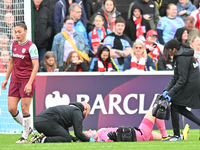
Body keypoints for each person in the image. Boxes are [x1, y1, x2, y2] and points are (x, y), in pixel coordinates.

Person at [1, 21, 39, 143]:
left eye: (19, 32)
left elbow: (36, 66)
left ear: (25, 32)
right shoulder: (14, 45)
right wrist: (6, 78)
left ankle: (24, 136)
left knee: (25, 109)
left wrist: (29, 83)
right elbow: (11, 63)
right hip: (14, 81)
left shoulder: (31, 46)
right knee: (11, 109)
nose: (17, 34)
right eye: (15, 32)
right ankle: (28, 128)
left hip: (26, 81)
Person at [162, 39, 200, 141]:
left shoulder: (182, 58)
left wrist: (171, 93)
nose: (168, 53)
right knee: (178, 107)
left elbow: (182, 79)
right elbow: (175, 77)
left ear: (174, 49)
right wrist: (167, 90)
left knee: (174, 105)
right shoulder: (181, 55)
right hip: (193, 84)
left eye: (169, 50)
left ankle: (177, 136)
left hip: (191, 85)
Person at [84, 107, 190, 142]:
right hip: (138, 134)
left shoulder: (101, 132)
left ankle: (181, 137)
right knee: (154, 110)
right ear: (90, 139)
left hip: (136, 132)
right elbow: (111, 141)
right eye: (87, 133)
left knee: (159, 138)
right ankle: (166, 134)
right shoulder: (100, 140)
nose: (89, 130)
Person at [29, 102, 95, 143]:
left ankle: (38, 138)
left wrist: (75, 139)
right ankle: (42, 140)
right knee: (66, 138)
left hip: (38, 122)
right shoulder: (77, 112)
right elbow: (78, 134)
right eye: (87, 114)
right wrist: (88, 140)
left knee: (65, 136)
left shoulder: (70, 109)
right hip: (47, 122)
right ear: (85, 109)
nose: (86, 117)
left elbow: (65, 133)